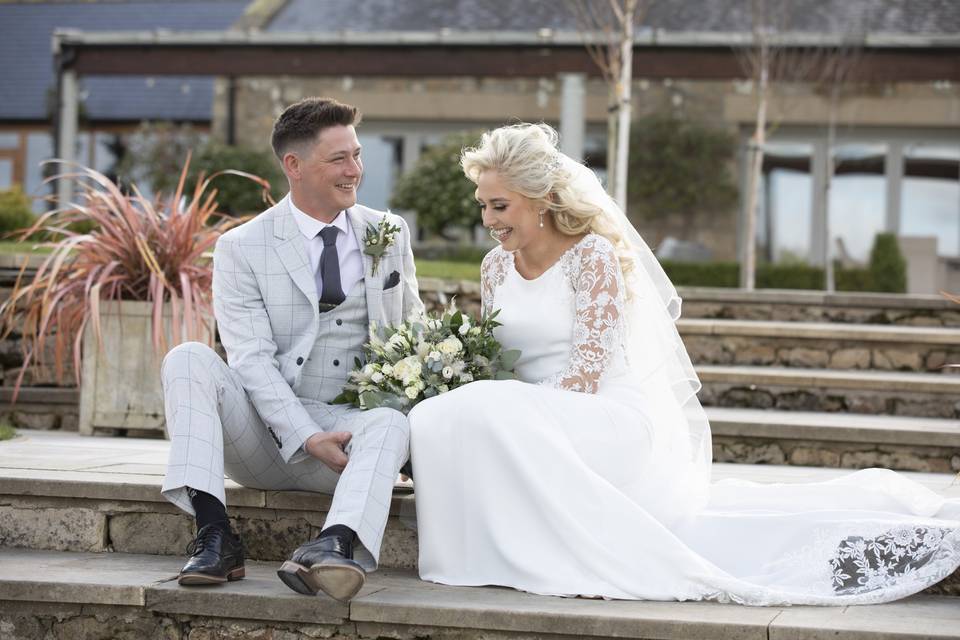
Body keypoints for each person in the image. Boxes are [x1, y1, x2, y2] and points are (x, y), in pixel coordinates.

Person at [408, 122, 960, 605]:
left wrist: (509, 406)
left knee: (476, 407)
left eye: (498, 205)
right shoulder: (494, 269)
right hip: (532, 415)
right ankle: (481, 555)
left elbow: (587, 370)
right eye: (482, 204)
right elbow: (499, 357)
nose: (487, 219)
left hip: (606, 414)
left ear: (541, 198)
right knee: (441, 413)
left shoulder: (591, 255)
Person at [160, 97, 422, 602]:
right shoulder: (243, 247)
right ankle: (215, 536)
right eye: (339, 159)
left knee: (393, 421)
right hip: (265, 435)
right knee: (188, 357)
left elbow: (412, 333)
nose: (355, 171)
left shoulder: (388, 233)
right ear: (294, 166)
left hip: (350, 442)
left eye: (357, 155)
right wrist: (305, 436)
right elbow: (251, 359)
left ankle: (333, 546)